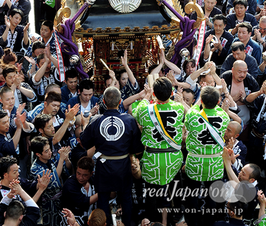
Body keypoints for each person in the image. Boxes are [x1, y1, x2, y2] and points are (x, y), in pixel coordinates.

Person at [80, 86, 143, 226]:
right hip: (123, 165)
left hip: (104, 165)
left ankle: (105, 224)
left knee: (102, 198)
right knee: (126, 197)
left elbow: (85, 142)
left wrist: (85, 125)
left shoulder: (96, 120)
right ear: (120, 101)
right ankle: (127, 223)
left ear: (103, 101)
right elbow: (137, 147)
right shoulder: (129, 120)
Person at [132, 77, 184, 222]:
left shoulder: (144, 109)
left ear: (154, 94)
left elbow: (135, 113)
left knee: (151, 194)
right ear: (171, 92)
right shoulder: (178, 108)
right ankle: (170, 221)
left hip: (152, 159)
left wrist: (146, 97)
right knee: (170, 191)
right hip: (173, 159)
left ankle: (151, 222)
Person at [184, 86, 230, 226]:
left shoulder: (192, 115)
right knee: (213, 196)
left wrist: (199, 101)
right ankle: (210, 222)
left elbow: (189, 118)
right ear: (217, 102)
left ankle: (193, 223)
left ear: (202, 100)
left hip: (195, 161)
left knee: (192, 194)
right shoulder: (224, 115)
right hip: (215, 162)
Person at [61, 156, 98, 225]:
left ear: (91, 173)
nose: (80, 177)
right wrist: (102, 192)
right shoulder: (69, 185)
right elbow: (84, 202)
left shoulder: (94, 180)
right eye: (78, 173)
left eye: (85, 175)